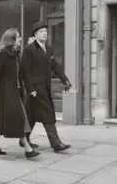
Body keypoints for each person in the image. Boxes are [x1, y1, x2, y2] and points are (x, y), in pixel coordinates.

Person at [0, 28, 40, 159]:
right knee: (19, 118)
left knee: (0, 120)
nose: (20, 39)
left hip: (16, 93)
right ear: (12, 40)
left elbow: (24, 74)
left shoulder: (16, 54)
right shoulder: (3, 54)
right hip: (5, 94)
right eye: (18, 37)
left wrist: (30, 89)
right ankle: (28, 148)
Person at [20, 21, 72, 152]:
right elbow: (25, 71)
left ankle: (24, 139)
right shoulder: (29, 49)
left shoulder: (49, 49)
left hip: (45, 87)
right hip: (36, 89)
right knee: (48, 113)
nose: (44, 34)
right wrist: (30, 89)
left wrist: (65, 80)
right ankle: (56, 144)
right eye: (41, 32)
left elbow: (55, 67)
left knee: (31, 116)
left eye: (46, 32)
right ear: (36, 35)